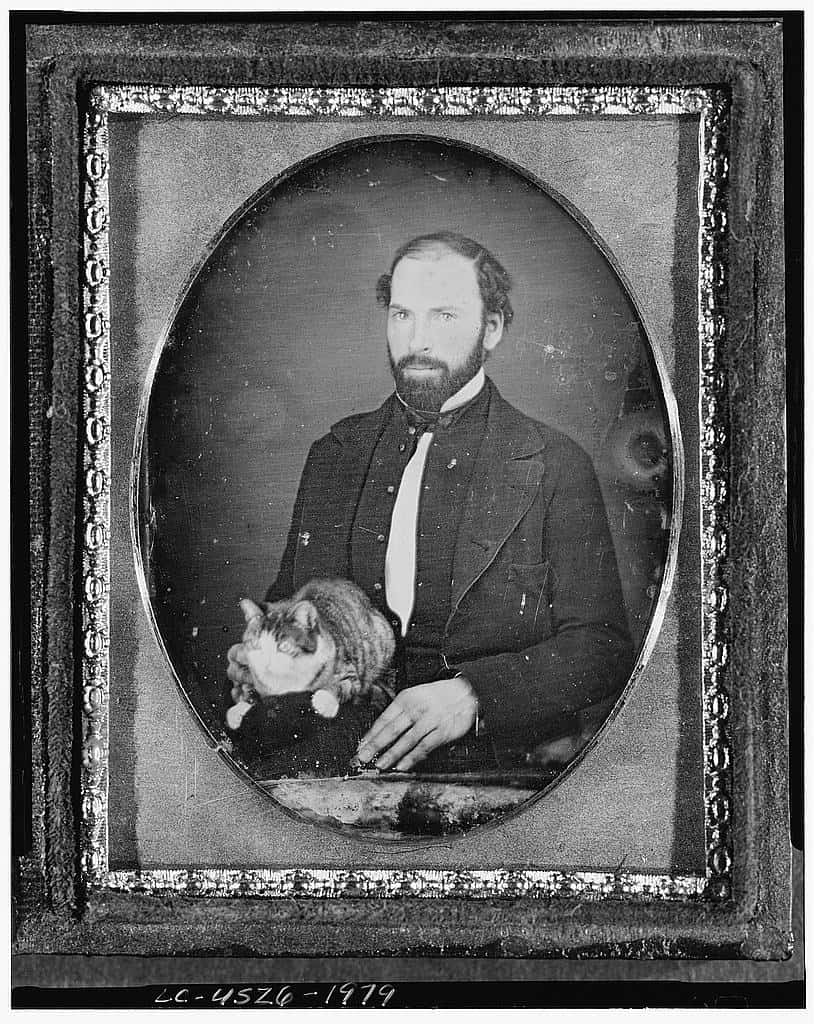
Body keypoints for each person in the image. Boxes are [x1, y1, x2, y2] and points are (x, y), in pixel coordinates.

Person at [228, 232, 634, 774]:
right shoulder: (334, 454)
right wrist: (253, 664)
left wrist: (474, 697)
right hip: (331, 765)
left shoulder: (556, 463)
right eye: (401, 314)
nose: (417, 339)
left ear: (492, 328)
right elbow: (294, 606)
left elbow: (601, 648)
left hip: (499, 768)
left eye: (443, 316)